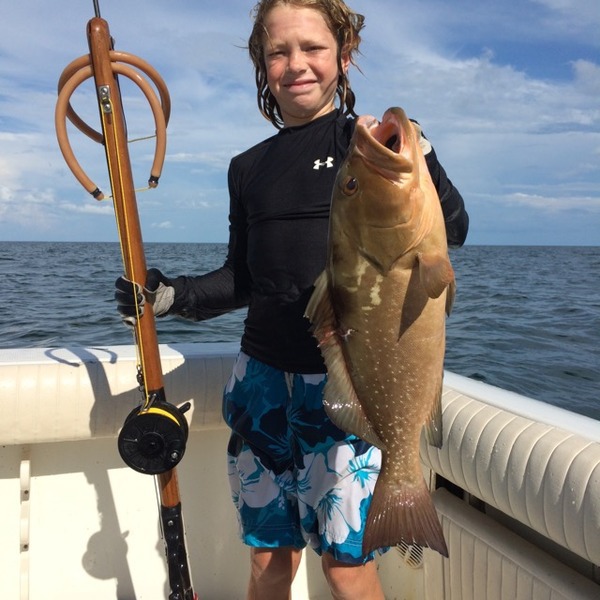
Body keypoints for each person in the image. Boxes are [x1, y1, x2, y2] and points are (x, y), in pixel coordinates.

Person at [116, 1, 469, 598]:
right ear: (262, 64)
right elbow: (243, 278)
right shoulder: (247, 167)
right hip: (260, 383)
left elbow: (452, 229)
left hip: (348, 387)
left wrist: (423, 155)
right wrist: (170, 296)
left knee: (346, 569)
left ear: (344, 56)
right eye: (278, 51)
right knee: (268, 559)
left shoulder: (363, 146)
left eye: (313, 48)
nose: (296, 64)